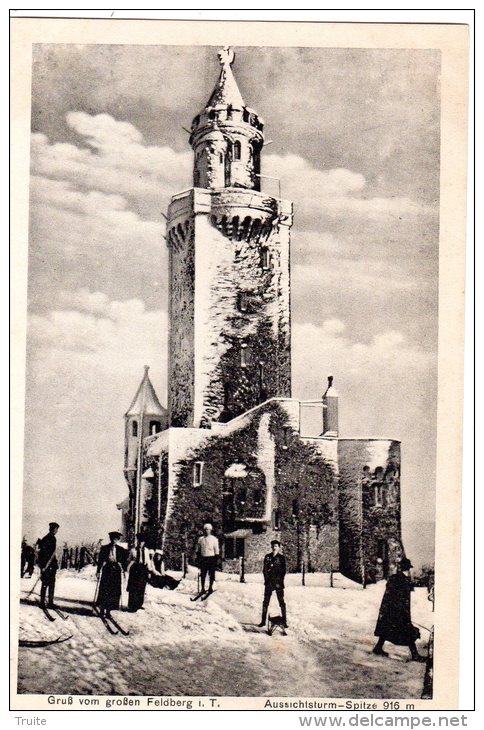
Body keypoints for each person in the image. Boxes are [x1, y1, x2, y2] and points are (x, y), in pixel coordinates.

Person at [373, 557, 426, 661]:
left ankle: (378, 648)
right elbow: (400, 598)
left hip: (390, 610)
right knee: (407, 631)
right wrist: (402, 611)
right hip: (399, 611)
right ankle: (415, 655)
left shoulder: (395, 578)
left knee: (387, 628)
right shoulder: (402, 580)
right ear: (407, 568)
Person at [96, 531, 128, 618]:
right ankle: (102, 610)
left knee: (113, 591)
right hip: (107, 569)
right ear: (110, 539)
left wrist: (125, 571)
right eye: (113, 539)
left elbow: (124, 561)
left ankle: (109, 611)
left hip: (116, 571)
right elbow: (100, 561)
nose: (115, 541)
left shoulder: (121, 549)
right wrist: (98, 571)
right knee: (104, 590)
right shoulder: (105, 548)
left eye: (116, 539)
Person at [258, 539, 287, 628]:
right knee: (265, 602)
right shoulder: (268, 557)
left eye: (276, 546)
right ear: (271, 547)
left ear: (279, 547)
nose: (274, 548)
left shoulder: (281, 558)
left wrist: (279, 581)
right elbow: (265, 570)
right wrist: (267, 580)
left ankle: (284, 621)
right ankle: (263, 621)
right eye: (273, 546)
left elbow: (283, 571)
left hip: (278, 583)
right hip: (269, 583)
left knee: (281, 602)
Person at [37, 522, 60, 608]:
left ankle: (48, 602)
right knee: (47, 583)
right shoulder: (49, 538)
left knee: (49, 583)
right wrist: (43, 566)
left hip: (49, 565)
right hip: (47, 565)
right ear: (53, 529)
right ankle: (44, 602)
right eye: (56, 529)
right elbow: (44, 553)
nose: (57, 531)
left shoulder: (49, 538)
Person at [127, 533, 150, 612]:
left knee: (141, 587)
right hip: (135, 569)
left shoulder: (146, 551)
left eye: (142, 542)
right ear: (137, 542)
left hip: (143, 570)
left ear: (144, 543)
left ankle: (139, 604)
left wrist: (149, 571)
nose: (141, 543)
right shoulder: (133, 550)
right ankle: (132, 606)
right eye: (139, 542)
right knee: (133, 587)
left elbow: (148, 561)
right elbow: (129, 560)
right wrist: (128, 569)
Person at [196, 523, 219, 595]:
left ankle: (210, 587)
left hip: (211, 558)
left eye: (208, 530)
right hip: (203, 558)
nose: (206, 531)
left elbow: (216, 549)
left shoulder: (214, 539)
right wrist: (197, 556)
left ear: (210, 530)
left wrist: (216, 558)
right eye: (205, 530)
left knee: (211, 574)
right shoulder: (201, 539)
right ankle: (202, 588)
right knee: (203, 574)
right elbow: (198, 549)